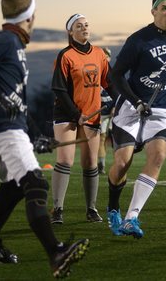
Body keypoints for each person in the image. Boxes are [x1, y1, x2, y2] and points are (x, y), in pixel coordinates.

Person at [0, 0, 88, 278]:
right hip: (3, 129)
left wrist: (33, 134)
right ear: (29, 16)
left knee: (14, 187)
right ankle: (56, 253)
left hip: (13, 128)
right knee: (36, 184)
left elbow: (17, 100)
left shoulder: (15, 45)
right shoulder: (4, 40)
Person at [107, 0, 166, 238]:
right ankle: (113, 206)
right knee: (122, 164)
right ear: (153, 12)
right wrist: (136, 101)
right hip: (131, 108)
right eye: (164, 8)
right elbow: (116, 75)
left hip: (161, 109)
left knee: (157, 157)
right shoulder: (138, 40)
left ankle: (131, 218)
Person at [50, 14, 114, 224]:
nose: (85, 28)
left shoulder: (99, 54)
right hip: (67, 115)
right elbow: (59, 89)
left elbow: (109, 82)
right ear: (71, 31)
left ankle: (91, 209)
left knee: (90, 162)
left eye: (86, 25)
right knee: (65, 160)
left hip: (92, 114)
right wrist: (76, 114)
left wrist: (125, 100)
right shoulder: (65, 55)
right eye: (79, 26)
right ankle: (58, 209)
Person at [98, 47, 115, 175]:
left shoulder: (113, 73)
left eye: (106, 56)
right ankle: (101, 164)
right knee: (102, 138)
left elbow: (118, 92)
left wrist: (116, 107)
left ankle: (117, 164)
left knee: (115, 138)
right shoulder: (95, 73)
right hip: (100, 112)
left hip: (113, 111)